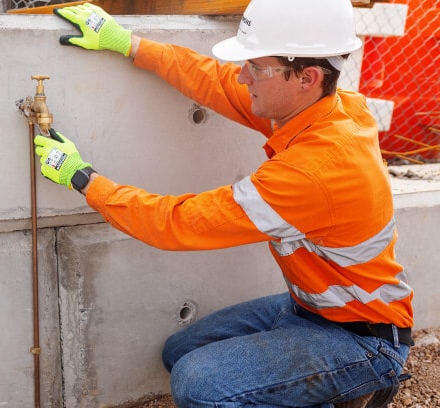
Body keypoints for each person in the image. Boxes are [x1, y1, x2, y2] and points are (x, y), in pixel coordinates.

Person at [31, 1, 415, 407]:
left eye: (257, 68)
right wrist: (129, 43)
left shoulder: (313, 172)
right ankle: (336, 390)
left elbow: (180, 223)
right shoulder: (327, 108)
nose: (242, 75)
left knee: (199, 386)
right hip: (314, 310)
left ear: (308, 76)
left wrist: (83, 179)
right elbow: (213, 81)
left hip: (361, 337)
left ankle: (364, 381)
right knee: (178, 353)